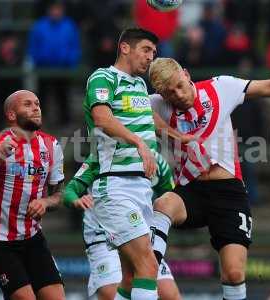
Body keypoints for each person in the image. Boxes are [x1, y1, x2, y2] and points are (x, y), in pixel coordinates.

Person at [148, 57, 270, 300]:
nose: (178, 94)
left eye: (180, 85)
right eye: (170, 93)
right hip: (191, 192)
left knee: (233, 273)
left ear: (187, 74)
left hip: (228, 192)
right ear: (162, 94)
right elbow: (121, 110)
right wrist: (171, 133)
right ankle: (148, 270)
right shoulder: (157, 104)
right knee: (163, 204)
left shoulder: (220, 88)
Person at [0, 90, 65, 300]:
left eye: (37, 103)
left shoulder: (51, 146)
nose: (36, 107)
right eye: (27, 104)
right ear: (11, 115)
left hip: (33, 237)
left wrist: (46, 202)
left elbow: (60, 194)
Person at [83, 27, 160, 300]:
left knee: (129, 278)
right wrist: (138, 143)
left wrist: (181, 137)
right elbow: (102, 118)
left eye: (154, 52)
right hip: (115, 184)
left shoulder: (140, 85)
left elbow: (152, 123)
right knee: (148, 266)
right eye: (146, 50)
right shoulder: (103, 77)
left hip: (141, 187)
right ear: (125, 48)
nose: (151, 57)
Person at [63, 152, 181, 300]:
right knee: (111, 293)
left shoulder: (157, 161)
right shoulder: (102, 154)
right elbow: (69, 192)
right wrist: (77, 200)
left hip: (140, 233)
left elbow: (170, 199)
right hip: (102, 235)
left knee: (169, 294)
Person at [28, 0, 81, 125]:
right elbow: (33, 45)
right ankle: (39, 122)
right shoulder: (39, 26)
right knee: (42, 97)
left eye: (58, 9)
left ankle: (65, 121)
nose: (56, 12)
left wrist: (71, 61)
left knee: (63, 96)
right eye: (53, 9)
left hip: (63, 68)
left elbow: (74, 46)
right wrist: (37, 60)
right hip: (43, 67)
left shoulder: (69, 26)